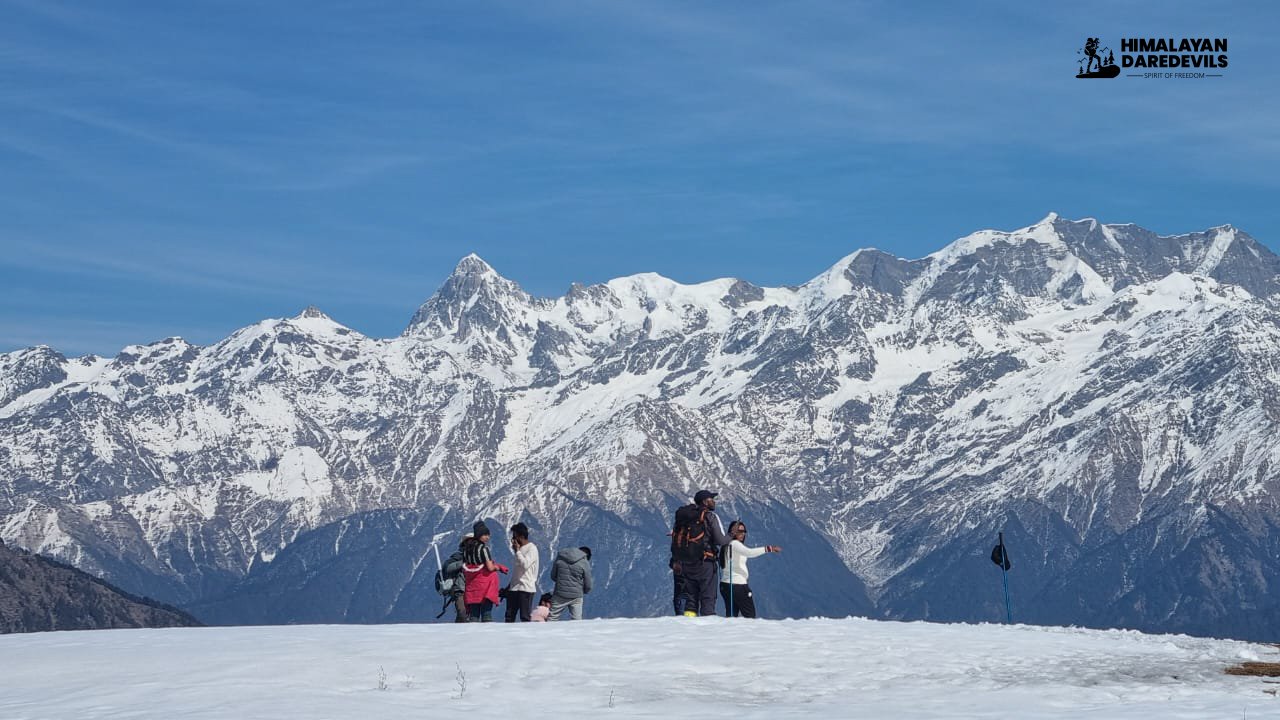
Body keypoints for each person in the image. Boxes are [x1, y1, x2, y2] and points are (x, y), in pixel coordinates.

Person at [670, 489, 728, 616]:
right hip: (706, 562)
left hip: (687, 564)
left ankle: (690, 628)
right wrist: (731, 535)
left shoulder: (684, 518)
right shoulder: (710, 517)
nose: (714, 501)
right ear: (705, 502)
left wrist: (676, 560)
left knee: (691, 600)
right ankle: (707, 631)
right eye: (711, 499)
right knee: (708, 597)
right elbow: (720, 540)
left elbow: (677, 539)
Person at [718, 520, 780, 618]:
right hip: (738, 586)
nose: (742, 534)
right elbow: (749, 552)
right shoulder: (735, 544)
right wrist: (769, 548)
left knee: (731, 616)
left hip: (725, 585)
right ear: (733, 531)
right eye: (739, 531)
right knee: (750, 616)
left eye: (744, 531)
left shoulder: (726, 545)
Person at [462, 521, 507, 622]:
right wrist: (498, 567)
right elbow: (490, 567)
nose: (488, 537)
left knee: (474, 614)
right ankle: (486, 636)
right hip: (485, 586)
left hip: (472, 586)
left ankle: (473, 635)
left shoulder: (466, 550)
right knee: (486, 614)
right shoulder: (483, 549)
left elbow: (466, 566)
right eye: (485, 535)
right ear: (479, 535)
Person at [504, 522, 539, 623]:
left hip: (526, 588)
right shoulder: (519, 550)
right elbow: (517, 571)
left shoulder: (532, 548)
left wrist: (517, 551)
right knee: (509, 616)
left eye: (515, 537)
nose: (513, 540)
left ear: (522, 536)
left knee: (524, 616)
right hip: (514, 587)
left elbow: (526, 564)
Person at [548, 546, 592, 621]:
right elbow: (588, 584)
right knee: (577, 620)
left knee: (553, 618)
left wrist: (561, 582)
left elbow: (553, 576)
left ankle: (548, 632)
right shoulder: (584, 562)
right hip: (576, 596)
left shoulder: (561, 557)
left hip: (559, 594)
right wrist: (583, 591)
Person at [444, 533, 471, 623]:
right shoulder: (458, 557)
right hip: (460, 590)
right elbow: (447, 568)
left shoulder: (478, 557)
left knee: (463, 617)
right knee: (463, 615)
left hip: (472, 590)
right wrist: (463, 563)